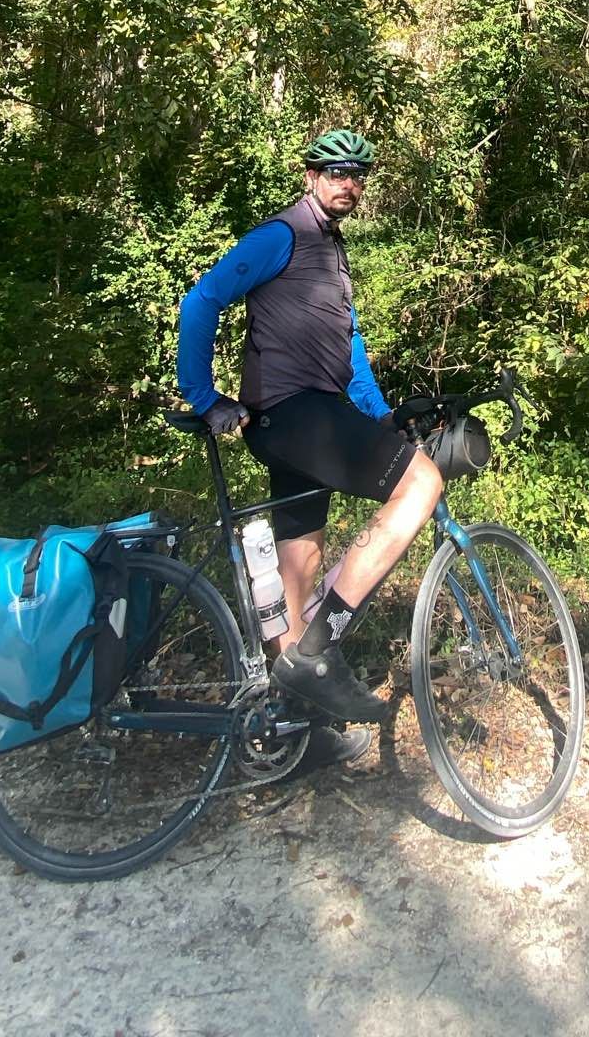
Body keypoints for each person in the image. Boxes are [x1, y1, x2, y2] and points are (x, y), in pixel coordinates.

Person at [175, 127, 443, 747]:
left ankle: (291, 728)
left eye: (356, 173)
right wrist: (206, 397)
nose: (347, 182)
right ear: (310, 178)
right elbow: (202, 300)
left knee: (301, 560)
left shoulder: (333, 252)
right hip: (294, 415)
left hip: (311, 418)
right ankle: (320, 649)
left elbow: (349, 349)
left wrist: (377, 414)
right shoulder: (282, 237)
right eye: (334, 171)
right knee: (422, 481)